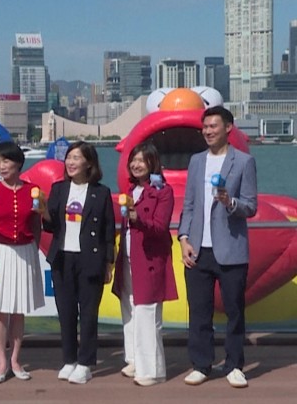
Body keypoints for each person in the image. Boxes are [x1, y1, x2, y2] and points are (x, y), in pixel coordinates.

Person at [178, 106, 257, 388]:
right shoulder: (196, 161)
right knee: (199, 310)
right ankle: (201, 363)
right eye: (205, 127)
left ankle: (235, 364)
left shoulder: (244, 162)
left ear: (228, 128)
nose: (208, 131)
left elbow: (250, 207)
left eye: (213, 126)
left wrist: (230, 202)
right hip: (198, 250)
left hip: (231, 250)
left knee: (234, 310)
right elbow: (188, 205)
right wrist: (184, 238)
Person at [39, 141, 115, 385]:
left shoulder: (100, 192)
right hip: (62, 258)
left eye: (76, 158)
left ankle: (85, 363)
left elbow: (108, 230)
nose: (70, 162)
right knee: (67, 312)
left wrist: (108, 264)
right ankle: (69, 359)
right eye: (68, 158)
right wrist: (42, 210)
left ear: (89, 163)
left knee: (89, 314)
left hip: (90, 258)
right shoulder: (59, 189)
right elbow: (51, 225)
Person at [0, 141, 45, 384]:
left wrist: (34, 246)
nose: (1, 166)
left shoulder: (32, 189)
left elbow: (38, 222)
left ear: (18, 163)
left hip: (24, 251)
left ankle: (15, 359)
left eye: (5, 161)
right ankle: (1, 361)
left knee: (18, 309)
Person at [112, 142, 177, 387]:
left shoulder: (163, 191)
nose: (136, 165)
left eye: (141, 160)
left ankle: (153, 369)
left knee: (147, 313)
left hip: (149, 258)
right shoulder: (131, 190)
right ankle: (135, 359)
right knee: (129, 308)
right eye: (133, 161)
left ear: (152, 163)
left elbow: (160, 228)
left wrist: (138, 219)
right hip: (128, 258)